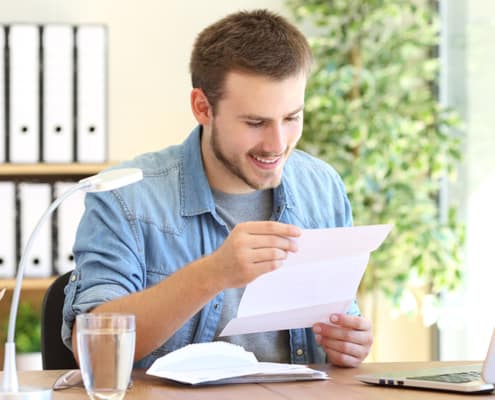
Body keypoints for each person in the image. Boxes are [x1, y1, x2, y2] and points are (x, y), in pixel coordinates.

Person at [62, 9, 373, 369]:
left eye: (292, 118)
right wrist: (212, 274)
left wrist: (350, 342)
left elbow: (341, 317)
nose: (277, 144)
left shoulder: (321, 187)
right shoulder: (125, 197)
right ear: (202, 107)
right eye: (255, 122)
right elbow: (95, 352)